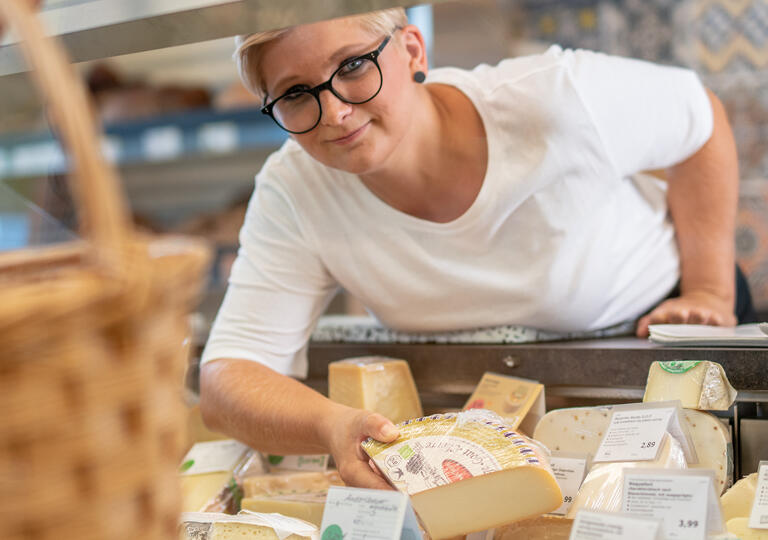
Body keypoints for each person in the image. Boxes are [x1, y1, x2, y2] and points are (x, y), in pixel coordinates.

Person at [199, 8, 754, 489]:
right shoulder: (296, 189)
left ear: (412, 49)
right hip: (487, 406)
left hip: (656, 341)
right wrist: (331, 425)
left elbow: (698, 117)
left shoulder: (554, 96)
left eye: (351, 66)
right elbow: (226, 380)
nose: (337, 109)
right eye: (296, 93)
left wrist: (709, 287)